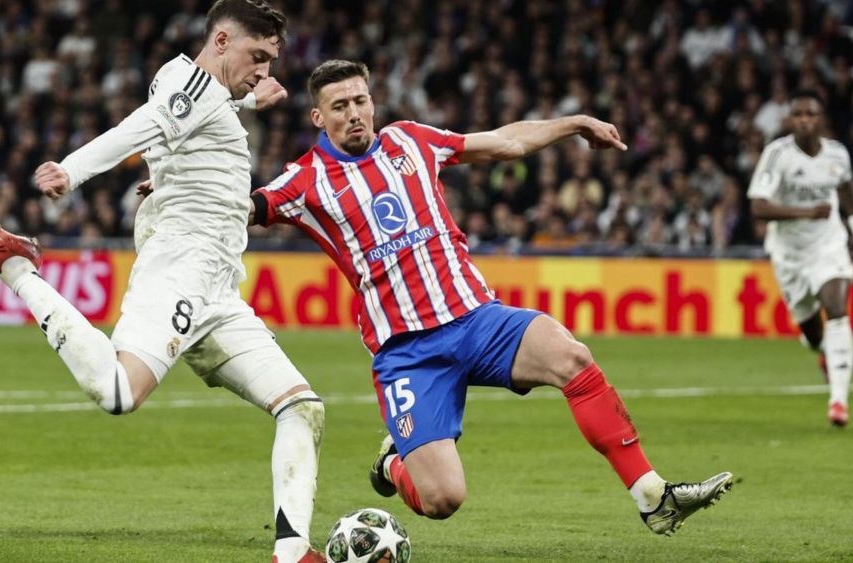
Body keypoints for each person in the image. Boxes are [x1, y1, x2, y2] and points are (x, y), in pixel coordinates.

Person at [249, 59, 732, 534]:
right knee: (442, 499)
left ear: (372, 101)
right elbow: (246, 208)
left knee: (572, 357)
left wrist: (575, 123)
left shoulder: (410, 140)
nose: (354, 113)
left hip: (477, 320)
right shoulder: (305, 179)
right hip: (408, 352)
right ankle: (394, 464)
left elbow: (506, 142)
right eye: (339, 106)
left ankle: (653, 496)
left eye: (360, 100)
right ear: (318, 117)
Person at [0, 2, 324, 561]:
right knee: (118, 393)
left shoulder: (197, 87)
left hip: (220, 292)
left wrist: (243, 104)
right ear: (221, 41)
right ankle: (16, 267)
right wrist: (72, 169)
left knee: (303, 407)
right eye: (258, 56)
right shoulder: (193, 84)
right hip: (180, 268)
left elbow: (186, 125)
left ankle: (293, 551)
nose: (265, 71)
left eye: (271, 61)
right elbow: (140, 128)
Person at [747, 90, 853, 428]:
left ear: (821, 119)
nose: (804, 120)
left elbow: (847, 194)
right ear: (791, 120)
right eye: (798, 114)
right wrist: (806, 212)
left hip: (829, 245)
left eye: (810, 114)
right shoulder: (777, 154)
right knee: (813, 334)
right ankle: (823, 353)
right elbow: (758, 207)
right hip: (789, 255)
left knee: (837, 309)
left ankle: (838, 401)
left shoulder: (837, 154)